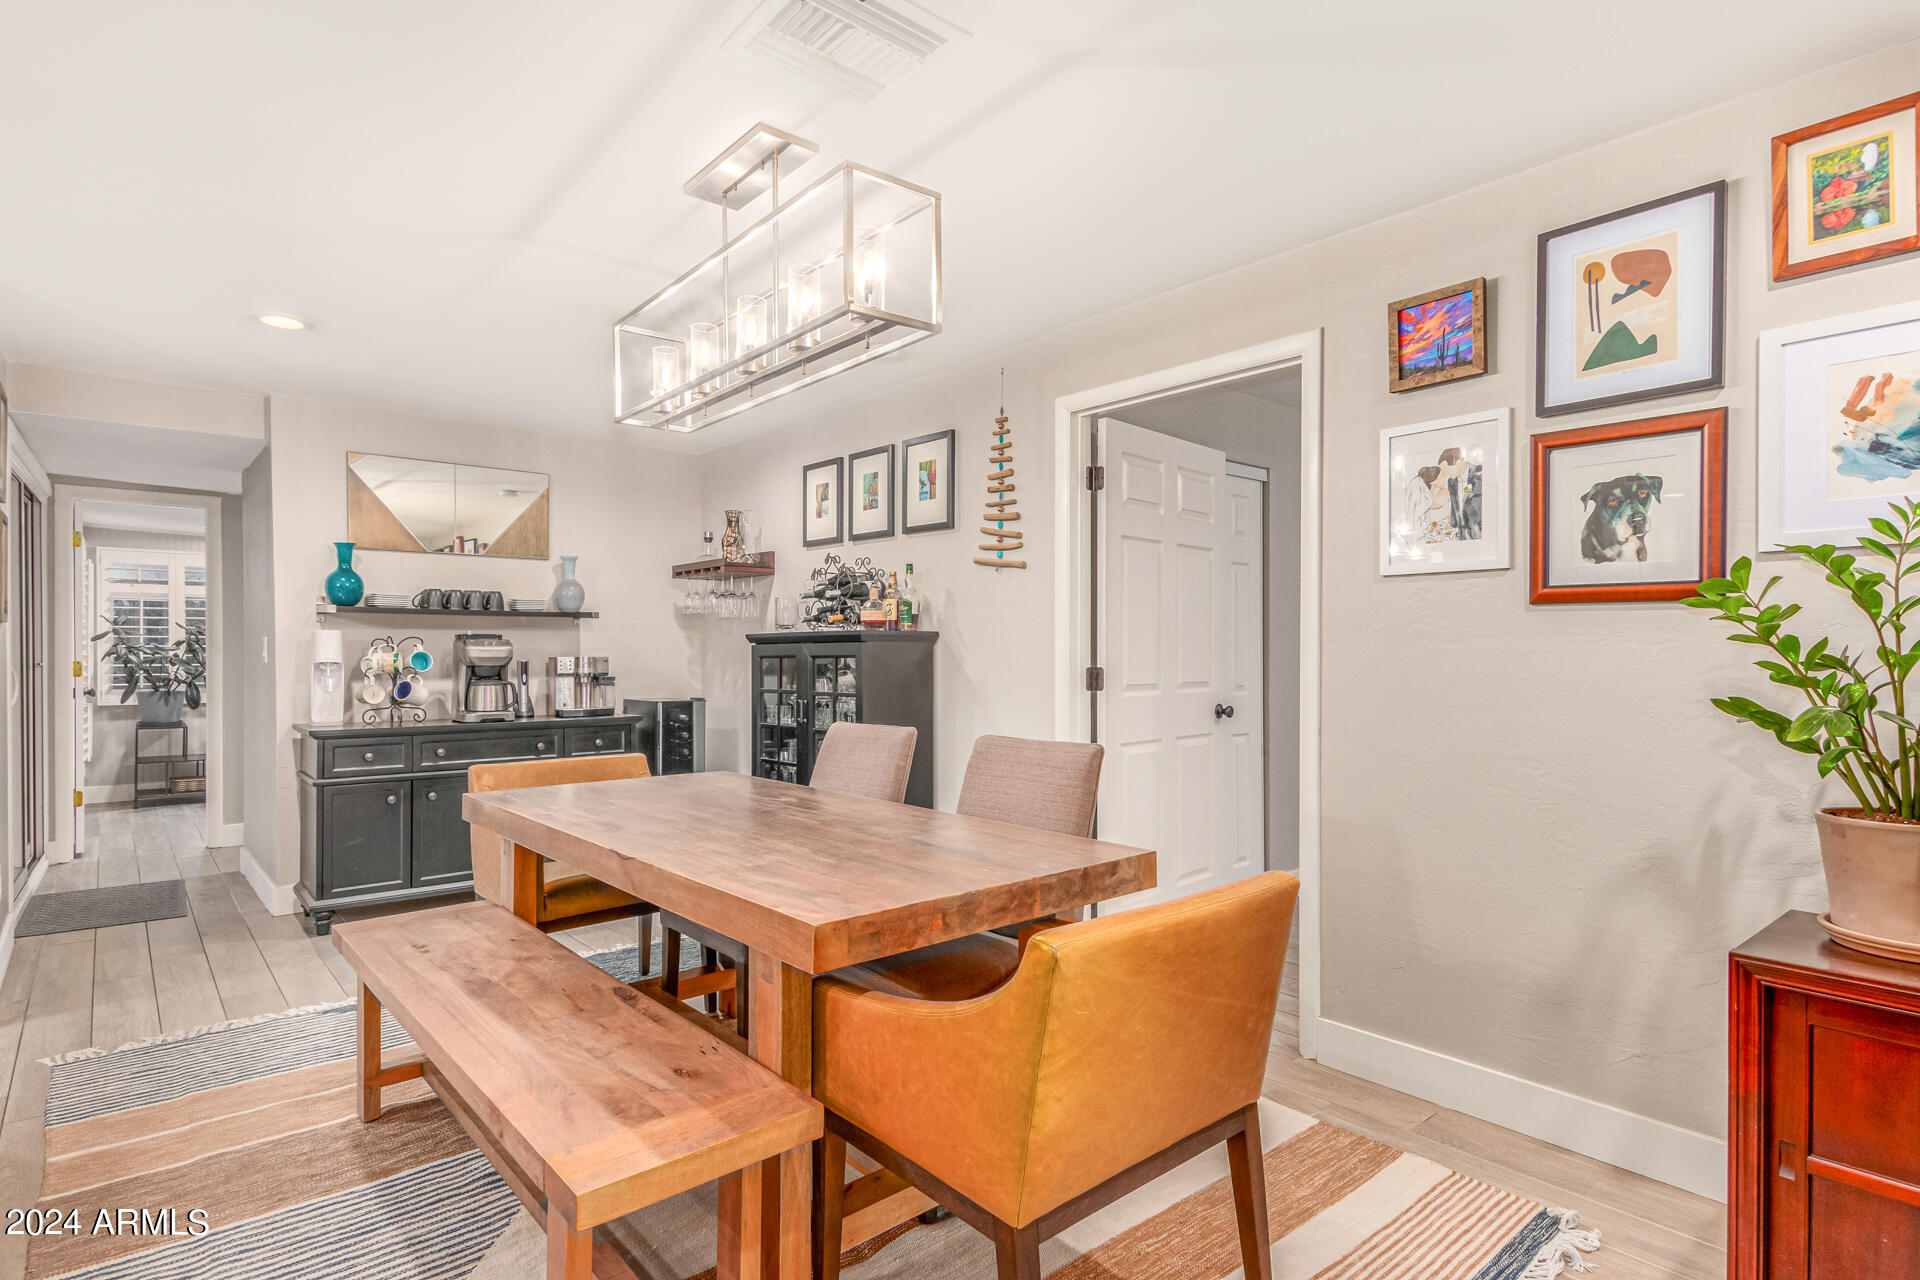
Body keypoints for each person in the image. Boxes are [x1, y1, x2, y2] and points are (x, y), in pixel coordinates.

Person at [1439, 446, 1482, 542]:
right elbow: (1455, 508)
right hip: (1462, 538)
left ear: (1459, 461)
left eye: (1448, 470)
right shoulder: (1451, 482)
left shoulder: (1481, 473)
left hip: (1482, 534)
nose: (1447, 475)